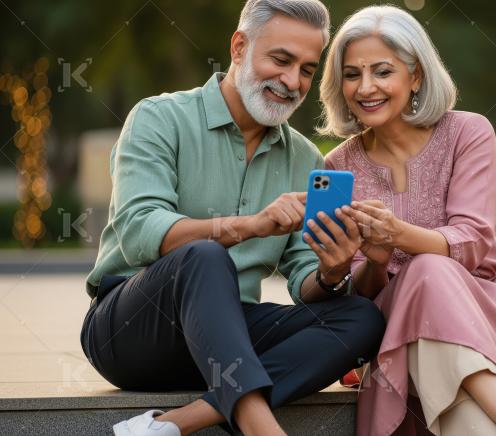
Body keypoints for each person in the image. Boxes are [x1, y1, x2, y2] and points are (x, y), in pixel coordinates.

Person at [79, 1, 385, 435]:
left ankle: (175, 424)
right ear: (239, 47)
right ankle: (262, 427)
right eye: (280, 60)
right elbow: (138, 227)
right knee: (203, 257)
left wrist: (333, 271)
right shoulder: (159, 118)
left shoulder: (304, 157)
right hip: (132, 332)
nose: (292, 81)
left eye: (307, 69)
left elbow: (304, 281)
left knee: (361, 318)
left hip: (228, 340)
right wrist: (252, 225)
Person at [318, 5, 496, 436]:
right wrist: (375, 261)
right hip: (396, 329)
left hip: (485, 307)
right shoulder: (338, 165)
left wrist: (399, 235)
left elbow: (473, 241)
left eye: (382, 71)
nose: (366, 87)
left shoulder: (468, 133)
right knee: (425, 271)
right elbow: (360, 296)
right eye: (352, 74)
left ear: (416, 76)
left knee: (429, 270)